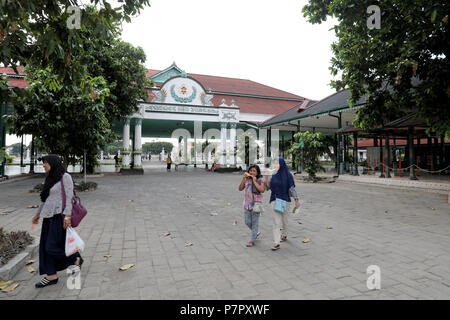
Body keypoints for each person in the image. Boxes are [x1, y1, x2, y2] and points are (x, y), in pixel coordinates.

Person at [31, 155, 83, 288]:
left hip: (59, 217)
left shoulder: (65, 177)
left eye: (45, 163)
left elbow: (70, 196)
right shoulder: (50, 178)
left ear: (53, 163)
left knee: (51, 247)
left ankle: (75, 259)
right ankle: (51, 275)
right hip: (48, 218)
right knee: (45, 247)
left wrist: (67, 216)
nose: (43, 165)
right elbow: (46, 200)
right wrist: (37, 214)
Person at [265, 157, 300, 251]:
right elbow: (267, 187)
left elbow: (291, 188)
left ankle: (284, 234)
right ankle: (276, 242)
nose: (276, 165)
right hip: (274, 200)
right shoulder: (273, 174)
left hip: (285, 200)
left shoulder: (288, 175)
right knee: (276, 222)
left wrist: (296, 200)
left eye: (277, 163)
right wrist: (267, 176)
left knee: (284, 221)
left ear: (282, 164)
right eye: (274, 163)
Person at [238, 164, 265, 247]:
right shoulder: (246, 179)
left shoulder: (261, 179)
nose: (252, 172)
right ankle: (255, 232)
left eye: (254, 171)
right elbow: (240, 188)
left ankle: (252, 240)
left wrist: (254, 181)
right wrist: (243, 178)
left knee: (255, 223)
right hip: (247, 204)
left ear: (257, 172)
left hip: (256, 205)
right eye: (250, 171)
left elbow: (262, 190)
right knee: (247, 222)